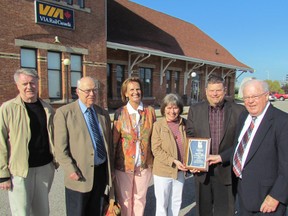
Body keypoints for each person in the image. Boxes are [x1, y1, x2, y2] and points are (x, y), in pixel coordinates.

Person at [186, 75, 245, 216]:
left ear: (224, 90)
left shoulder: (239, 111)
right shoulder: (195, 110)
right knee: (203, 211)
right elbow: (190, 135)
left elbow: (242, 142)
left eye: (218, 90)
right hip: (202, 171)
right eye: (211, 90)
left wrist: (221, 157)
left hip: (226, 170)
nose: (215, 94)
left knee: (225, 212)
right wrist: (192, 160)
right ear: (206, 91)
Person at [54, 76, 113, 216]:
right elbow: (60, 149)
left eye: (94, 90)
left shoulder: (102, 114)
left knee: (96, 211)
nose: (92, 94)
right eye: (87, 91)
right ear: (77, 91)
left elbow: (109, 144)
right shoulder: (64, 113)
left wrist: (111, 171)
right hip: (79, 174)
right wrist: (71, 170)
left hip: (100, 174)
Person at [0, 68, 56, 215]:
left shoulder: (47, 109)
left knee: (42, 211)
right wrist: (3, 174)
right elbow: (1, 143)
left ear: (38, 84)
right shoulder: (8, 108)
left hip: (44, 167)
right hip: (19, 171)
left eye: (32, 83)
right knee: (21, 212)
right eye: (25, 83)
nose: (29, 87)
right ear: (17, 85)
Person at [232, 79, 288, 215]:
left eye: (254, 96)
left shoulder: (282, 121)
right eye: (246, 97)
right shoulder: (244, 116)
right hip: (243, 194)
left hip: (267, 200)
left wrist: (276, 196)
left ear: (266, 95)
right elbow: (242, 148)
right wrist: (219, 156)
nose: (250, 101)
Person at [113, 77, 156, 216]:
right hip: (124, 164)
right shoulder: (120, 113)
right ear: (125, 93)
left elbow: (155, 138)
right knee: (125, 199)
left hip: (144, 164)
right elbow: (114, 141)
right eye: (131, 89)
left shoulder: (150, 111)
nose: (135, 92)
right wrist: (110, 167)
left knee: (140, 198)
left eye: (138, 89)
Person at [151, 93, 188, 216]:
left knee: (176, 202)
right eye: (169, 108)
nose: (172, 111)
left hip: (181, 170)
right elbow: (156, 149)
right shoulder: (158, 126)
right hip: (163, 171)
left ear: (180, 109)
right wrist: (173, 161)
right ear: (164, 109)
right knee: (162, 204)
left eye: (175, 107)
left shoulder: (185, 124)